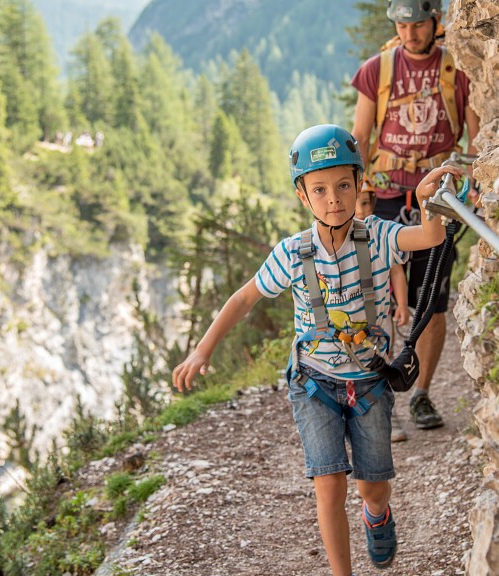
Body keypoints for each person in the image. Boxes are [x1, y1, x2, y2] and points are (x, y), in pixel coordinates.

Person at [172, 124, 458, 576]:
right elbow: (244, 298)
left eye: (344, 185)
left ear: (359, 184)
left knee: (371, 489)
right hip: (314, 382)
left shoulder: (379, 236)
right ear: (303, 196)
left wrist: (427, 203)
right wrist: (202, 349)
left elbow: (429, 239)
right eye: (320, 189)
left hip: (369, 381)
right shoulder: (292, 253)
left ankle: (377, 514)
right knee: (328, 485)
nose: (334, 199)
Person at [351, 0, 480, 431]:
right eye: (402, 25)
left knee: (432, 301)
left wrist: (474, 184)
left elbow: (476, 137)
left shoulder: (457, 70)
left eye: (418, 24)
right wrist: (354, 191)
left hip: (437, 197)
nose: (409, 33)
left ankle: (421, 392)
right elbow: (361, 135)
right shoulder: (377, 70)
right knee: (374, 298)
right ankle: (376, 395)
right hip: (385, 198)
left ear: (435, 22)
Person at [355, 187, 411, 443]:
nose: (361, 210)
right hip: (351, 318)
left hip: (381, 314)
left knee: (383, 359)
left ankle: (389, 414)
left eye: (366, 203)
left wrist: (402, 305)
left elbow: (397, 272)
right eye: (357, 204)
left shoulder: (380, 234)